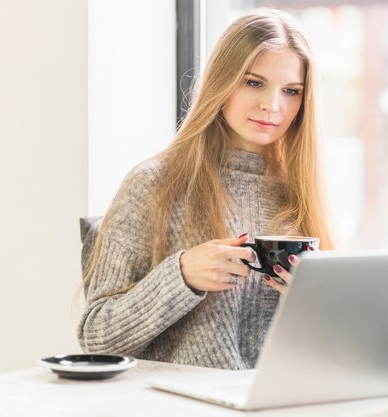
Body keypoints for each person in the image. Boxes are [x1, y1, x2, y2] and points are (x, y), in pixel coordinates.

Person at [78, 8, 333, 370]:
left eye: (291, 91)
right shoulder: (153, 184)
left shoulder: (302, 192)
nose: (271, 105)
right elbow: (96, 337)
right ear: (222, 81)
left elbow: (330, 352)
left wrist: (323, 299)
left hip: (282, 402)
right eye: (253, 82)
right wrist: (180, 276)